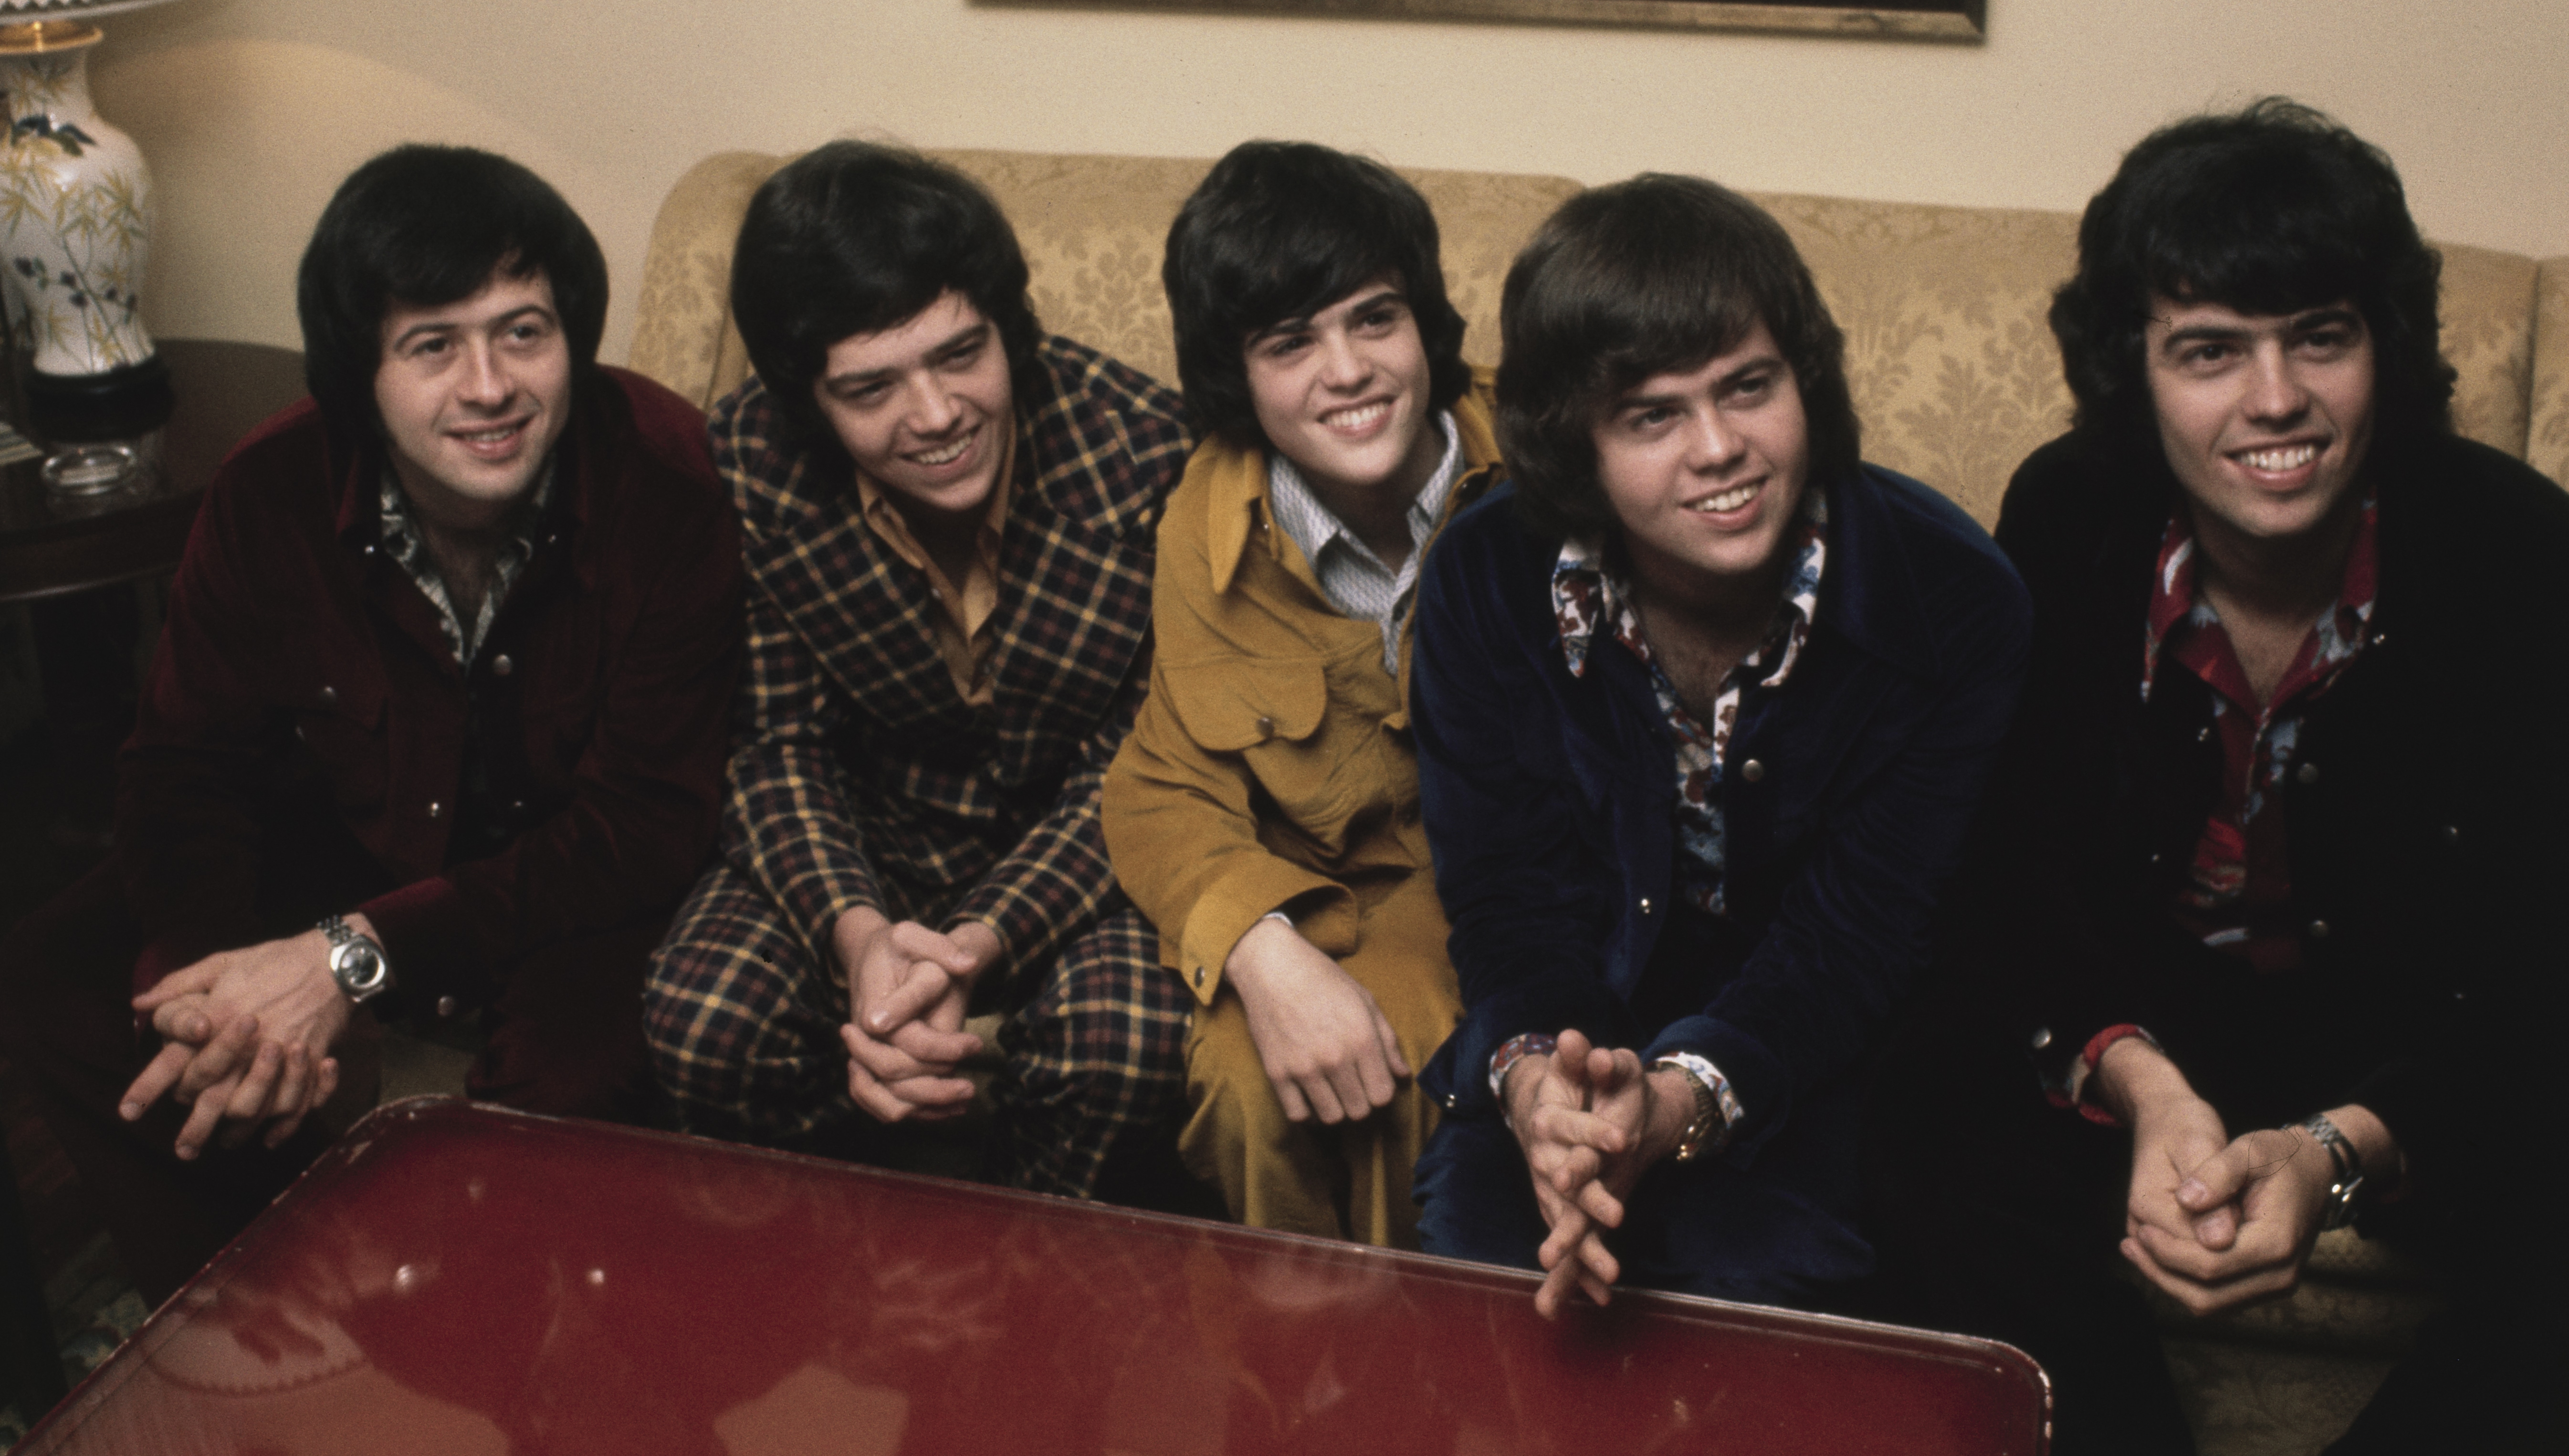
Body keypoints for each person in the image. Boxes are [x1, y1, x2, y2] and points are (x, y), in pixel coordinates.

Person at [1872, 100, 2569, 1453]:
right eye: (2211, 351)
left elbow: (2567, 981)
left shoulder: (2539, 572)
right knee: (1919, 1127)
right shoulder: (2068, 519)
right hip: (2166, 1022)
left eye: (2319, 339)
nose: (2273, 400)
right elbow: (2020, 876)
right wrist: (2147, 1089)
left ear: (2381, 353)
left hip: (2426, 1048)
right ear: (2136, 374)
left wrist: (2338, 1152)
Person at [0, 146, 740, 1301]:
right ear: (361, 372)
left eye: (523, 331)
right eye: (432, 345)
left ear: (573, 336)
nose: (490, 386)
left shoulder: (671, 482)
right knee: (68, 978)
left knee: (577, 1082)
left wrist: (349, 959)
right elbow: (183, 767)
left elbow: (643, 827)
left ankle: (502, 1342)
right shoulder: (270, 488)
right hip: (363, 837)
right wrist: (221, 991)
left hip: (579, 887)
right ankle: (246, 1318)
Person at [1407, 174, 2030, 1315]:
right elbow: (1501, 898)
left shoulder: (1955, 601)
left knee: (1764, 1303)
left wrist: (1681, 1105)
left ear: (1807, 379)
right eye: (1653, 415)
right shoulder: (1485, 577)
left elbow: (1863, 937)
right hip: (1568, 1037)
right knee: (1481, 1282)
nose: (1721, 449)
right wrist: (1548, 1084)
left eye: (1750, 387)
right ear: (1573, 442)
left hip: (1828, 1075)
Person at [643, 141, 1195, 1198]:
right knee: (707, 1019)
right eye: (871, 387)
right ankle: (835, 1273)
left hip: (1079, 853)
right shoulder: (745, 465)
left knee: (1130, 1042)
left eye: (960, 354)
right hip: (857, 839)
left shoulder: (1148, 455)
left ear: (1008, 329)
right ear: (808, 400)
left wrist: (975, 946)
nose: (936, 414)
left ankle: (1040, 1283)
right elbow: (773, 746)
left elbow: (1143, 764)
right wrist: (858, 936)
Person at [1102, 141, 1499, 1246]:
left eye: (1376, 319)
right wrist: (1261, 952)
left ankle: (1407, 1379)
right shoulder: (1206, 517)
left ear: (1426, 321)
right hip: (1307, 892)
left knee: (1396, 1062)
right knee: (1243, 1082)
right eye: (1292, 343)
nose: (1348, 370)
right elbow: (1163, 786)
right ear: (1238, 375)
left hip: (1488, 888)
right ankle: (1281, 1391)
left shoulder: (1535, 467)